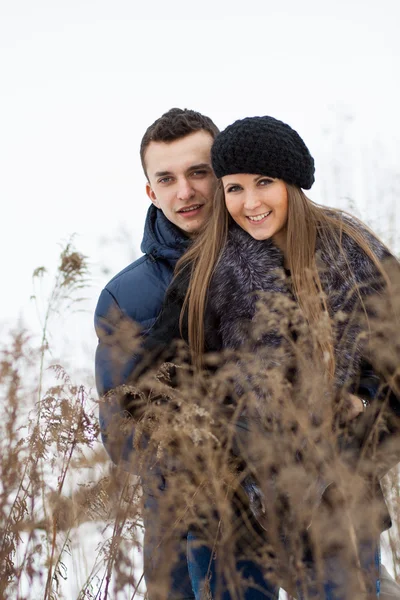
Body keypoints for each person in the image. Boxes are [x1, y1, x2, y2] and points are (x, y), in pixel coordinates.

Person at [130, 116, 400, 599]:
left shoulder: (352, 252)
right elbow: (149, 392)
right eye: (234, 188)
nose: (250, 203)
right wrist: (224, 452)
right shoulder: (206, 269)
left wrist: (361, 422)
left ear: (292, 183)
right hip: (229, 522)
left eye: (264, 183)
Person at [94, 108, 219, 599]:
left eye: (198, 172)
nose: (183, 192)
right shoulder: (126, 295)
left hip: (303, 509)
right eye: (166, 178)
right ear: (150, 190)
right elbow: (121, 434)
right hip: (184, 531)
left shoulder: (282, 258)